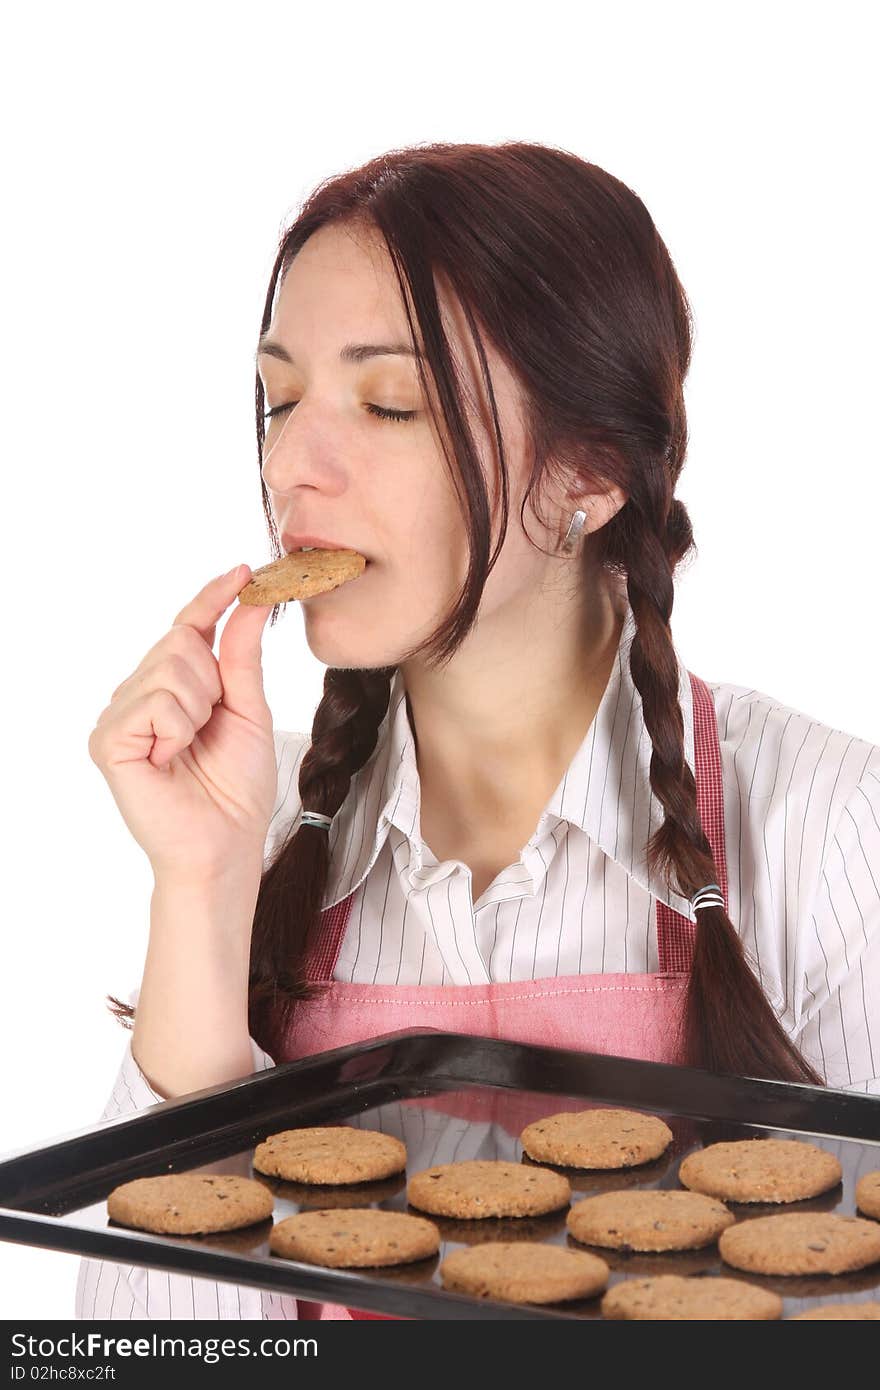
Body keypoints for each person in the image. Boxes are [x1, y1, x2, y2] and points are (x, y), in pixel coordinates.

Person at [75, 141, 880, 1321]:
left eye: (388, 401)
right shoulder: (253, 818)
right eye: (279, 396)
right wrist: (196, 889)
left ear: (587, 475)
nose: (293, 463)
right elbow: (145, 1348)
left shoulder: (821, 826)